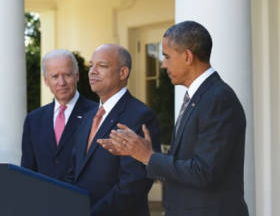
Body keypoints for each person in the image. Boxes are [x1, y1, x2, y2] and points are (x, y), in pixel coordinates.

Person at [98, 21, 249, 216]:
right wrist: (143, 154)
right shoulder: (200, 97)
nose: (163, 64)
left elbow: (204, 172)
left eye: (167, 56)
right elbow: (186, 163)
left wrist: (149, 157)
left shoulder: (218, 99)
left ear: (187, 56)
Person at [66, 44, 160, 216]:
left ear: (123, 73)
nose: (92, 71)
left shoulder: (140, 116)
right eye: (91, 65)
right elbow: (74, 171)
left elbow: (133, 184)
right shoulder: (88, 117)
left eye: (101, 66)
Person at [21, 49, 96, 181]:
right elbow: (27, 171)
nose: (62, 82)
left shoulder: (96, 114)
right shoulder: (34, 120)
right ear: (46, 80)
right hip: (43, 199)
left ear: (77, 76)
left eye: (67, 75)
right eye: (55, 76)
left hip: (82, 199)